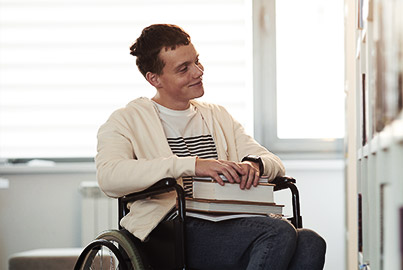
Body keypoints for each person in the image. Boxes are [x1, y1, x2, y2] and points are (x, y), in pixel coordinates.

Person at [96, 23, 326, 270]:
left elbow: (272, 162)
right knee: (276, 232)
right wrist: (193, 166)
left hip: (231, 219)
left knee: (311, 242)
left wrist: (254, 164)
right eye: (184, 69)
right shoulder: (126, 120)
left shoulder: (217, 116)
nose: (197, 72)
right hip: (172, 228)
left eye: (197, 61)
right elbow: (110, 176)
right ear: (154, 79)